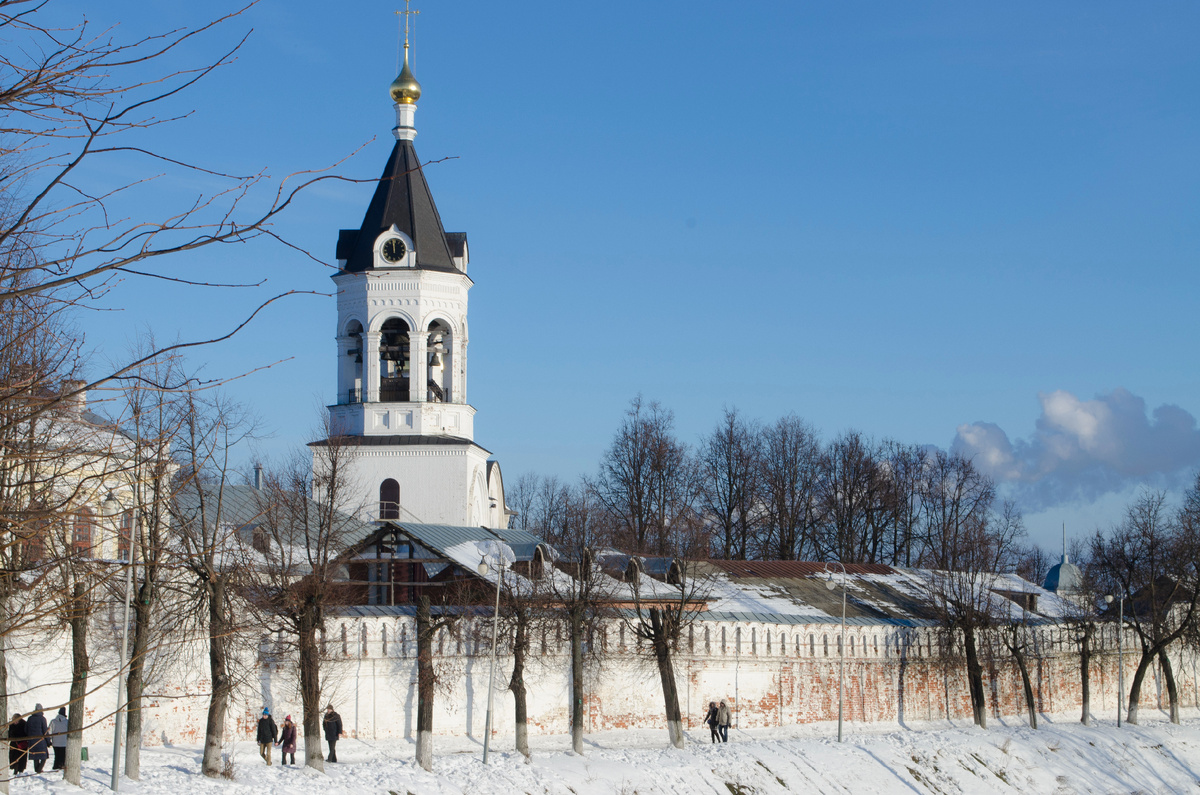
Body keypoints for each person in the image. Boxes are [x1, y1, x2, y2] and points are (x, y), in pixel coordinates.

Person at [24, 704, 48, 773]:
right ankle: (39, 769)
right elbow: (45, 731)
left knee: (35, 755)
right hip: (41, 740)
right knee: (44, 756)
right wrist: (48, 741)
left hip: (32, 740)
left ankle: (37, 769)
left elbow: (26, 729)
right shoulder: (42, 719)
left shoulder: (30, 718)